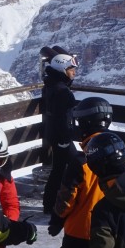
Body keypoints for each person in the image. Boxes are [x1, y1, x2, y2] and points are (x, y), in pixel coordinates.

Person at [48, 96, 113, 248]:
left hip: (79, 236)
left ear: (85, 124)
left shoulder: (81, 161)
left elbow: (66, 199)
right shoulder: (121, 156)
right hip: (110, 236)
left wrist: (56, 220)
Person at [42, 53, 79, 214]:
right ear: (62, 69)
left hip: (54, 133)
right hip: (61, 136)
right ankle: (72, 202)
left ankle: (49, 204)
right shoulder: (62, 91)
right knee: (77, 166)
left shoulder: (52, 85)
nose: (74, 72)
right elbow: (62, 116)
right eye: (71, 68)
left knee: (58, 169)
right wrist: (64, 138)